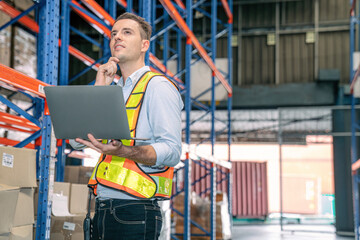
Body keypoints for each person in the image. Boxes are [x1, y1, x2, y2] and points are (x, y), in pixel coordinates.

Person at [71, 12, 183, 240]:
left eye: (126, 32)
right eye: (113, 34)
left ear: (144, 45)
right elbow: (76, 140)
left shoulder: (158, 86)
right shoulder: (111, 88)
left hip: (135, 211)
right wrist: (100, 85)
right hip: (102, 207)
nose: (116, 38)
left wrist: (123, 151)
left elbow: (171, 152)